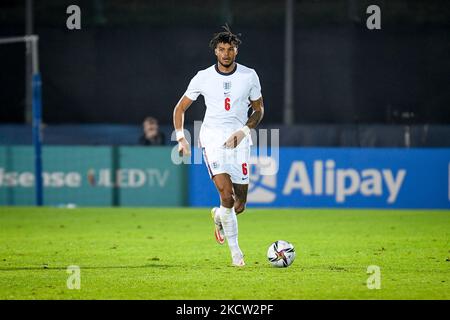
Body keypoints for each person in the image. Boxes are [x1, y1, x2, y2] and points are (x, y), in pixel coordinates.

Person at [172, 25, 264, 267]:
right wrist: (181, 137)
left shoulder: (249, 75)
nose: (226, 53)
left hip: (240, 141)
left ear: (236, 51)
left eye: (230, 49)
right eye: (221, 49)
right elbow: (180, 108)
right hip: (212, 139)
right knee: (226, 194)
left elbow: (259, 109)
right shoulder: (203, 77)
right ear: (215, 51)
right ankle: (236, 254)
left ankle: (218, 216)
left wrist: (244, 131)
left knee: (239, 205)